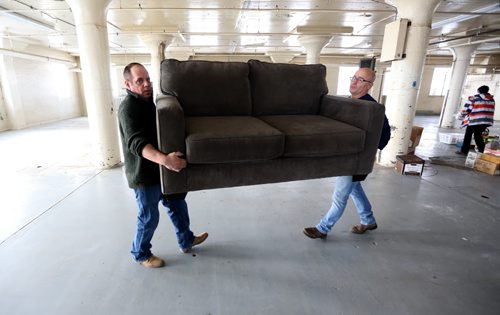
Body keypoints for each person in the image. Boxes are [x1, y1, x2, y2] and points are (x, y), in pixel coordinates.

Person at [118, 62, 208, 268]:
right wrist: (166, 160)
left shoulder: (148, 102)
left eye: (147, 79)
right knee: (149, 216)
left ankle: (186, 240)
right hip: (144, 174)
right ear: (128, 84)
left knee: (177, 204)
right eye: (139, 81)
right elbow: (136, 144)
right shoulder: (128, 108)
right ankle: (141, 254)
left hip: (160, 170)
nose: (146, 84)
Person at [303, 67, 390, 239]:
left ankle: (323, 228)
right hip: (345, 158)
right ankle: (368, 220)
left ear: (369, 86)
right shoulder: (348, 102)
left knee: (340, 196)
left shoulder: (372, 108)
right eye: (354, 77)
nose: (354, 81)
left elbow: (385, 135)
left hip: (356, 161)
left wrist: (368, 152)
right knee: (354, 189)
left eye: (360, 80)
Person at [456, 85, 495, 155]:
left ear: (478, 91)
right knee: (478, 135)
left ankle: (464, 151)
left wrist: (460, 115)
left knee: (468, 135)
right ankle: (481, 151)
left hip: (475, 120)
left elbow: (466, 109)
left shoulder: (474, 98)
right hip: (486, 121)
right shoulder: (491, 99)